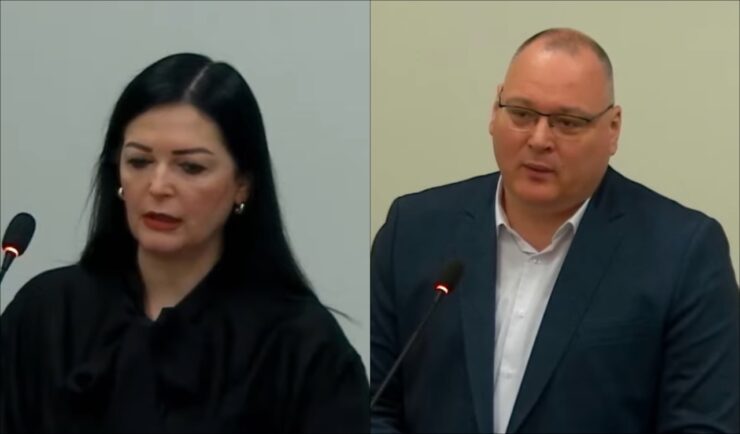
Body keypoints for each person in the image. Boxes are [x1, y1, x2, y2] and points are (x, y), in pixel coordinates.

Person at [371, 28, 739, 433]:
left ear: (613, 128)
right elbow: (371, 405)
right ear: (495, 111)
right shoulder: (413, 230)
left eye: (568, 122)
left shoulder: (683, 253)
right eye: (521, 114)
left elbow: (702, 424)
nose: (539, 139)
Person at [1, 53, 369, 433]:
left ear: (242, 184)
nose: (158, 186)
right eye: (139, 162)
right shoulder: (47, 315)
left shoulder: (302, 347)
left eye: (190, 167)